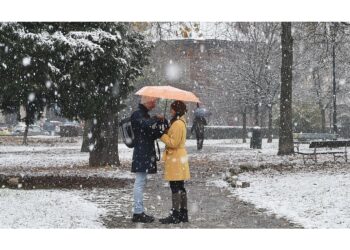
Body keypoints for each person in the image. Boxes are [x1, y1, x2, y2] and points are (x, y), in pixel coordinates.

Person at [130, 95, 168, 223]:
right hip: (141, 153)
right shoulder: (137, 114)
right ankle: (138, 213)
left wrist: (162, 125)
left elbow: (151, 134)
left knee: (142, 182)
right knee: (140, 182)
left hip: (146, 152)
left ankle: (139, 211)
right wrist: (156, 118)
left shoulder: (145, 115)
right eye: (154, 101)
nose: (155, 104)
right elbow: (144, 125)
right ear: (147, 102)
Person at [159, 100, 190, 224]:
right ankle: (183, 213)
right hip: (179, 158)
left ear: (176, 110)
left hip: (175, 158)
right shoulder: (180, 122)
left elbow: (173, 143)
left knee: (175, 187)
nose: (170, 111)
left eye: (172, 109)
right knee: (180, 186)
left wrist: (162, 135)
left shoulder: (177, 123)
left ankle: (175, 215)